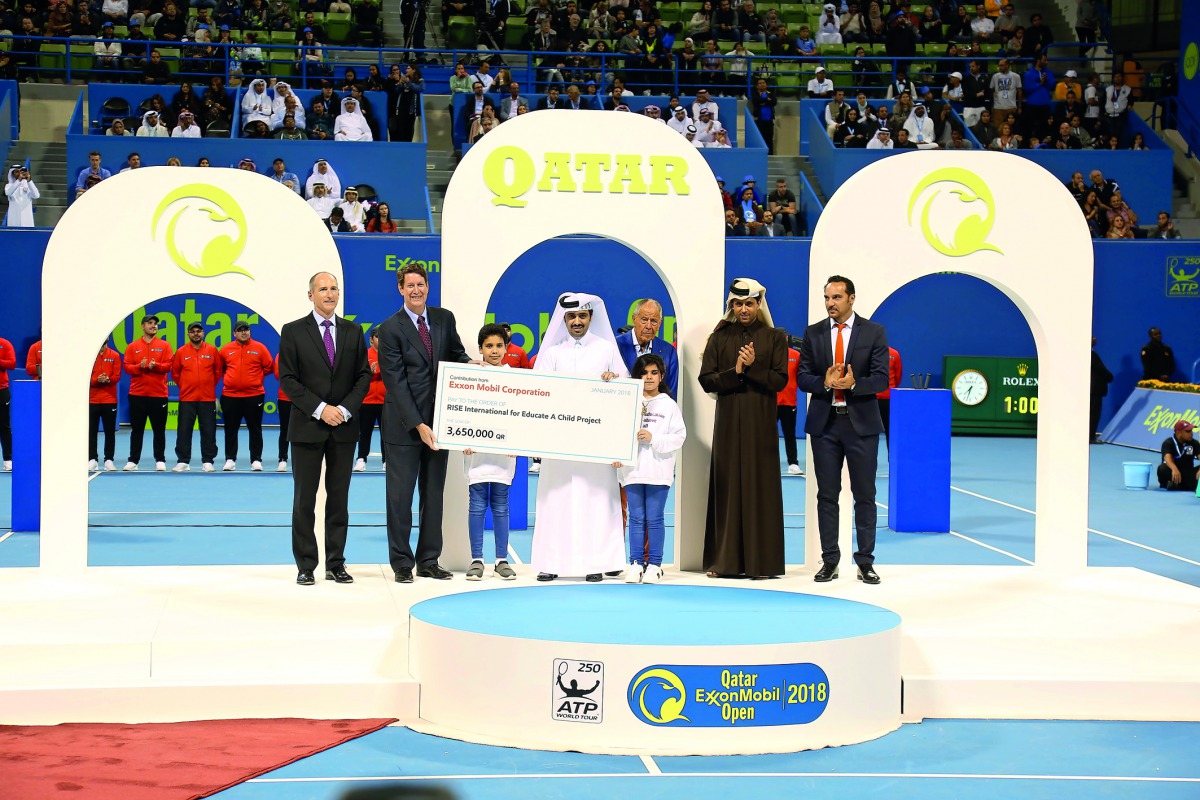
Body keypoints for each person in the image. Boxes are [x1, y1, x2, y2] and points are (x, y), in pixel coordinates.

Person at [377, 264, 471, 583]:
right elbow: (396, 383)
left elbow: (456, 357)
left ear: (428, 286)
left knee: (433, 496)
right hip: (404, 426)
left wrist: (477, 367)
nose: (416, 290)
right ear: (400, 289)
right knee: (400, 499)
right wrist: (418, 424)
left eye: (421, 284)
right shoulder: (390, 329)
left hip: (440, 423)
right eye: (410, 285)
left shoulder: (444, 319)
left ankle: (429, 560)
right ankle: (402, 563)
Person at [277, 272, 371, 585]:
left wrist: (343, 410)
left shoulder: (353, 331)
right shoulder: (292, 331)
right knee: (304, 500)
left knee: (339, 499)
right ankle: (306, 565)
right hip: (307, 427)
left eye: (334, 289)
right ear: (311, 295)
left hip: (344, 428)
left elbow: (363, 376)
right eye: (323, 289)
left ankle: (336, 563)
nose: (329, 294)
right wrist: (321, 409)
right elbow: (288, 379)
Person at [798, 275, 889, 585]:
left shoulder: (874, 332)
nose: (830, 303)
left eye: (836, 297)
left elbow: (881, 379)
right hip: (825, 426)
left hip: (860, 425)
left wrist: (854, 384)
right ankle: (829, 561)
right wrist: (824, 382)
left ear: (851, 298)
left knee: (865, 495)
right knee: (827, 495)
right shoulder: (813, 333)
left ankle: (865, 562)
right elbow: (803, 377)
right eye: (826, 298)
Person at [532, 292, 629, 582]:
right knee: (555, 501)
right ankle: (551, 563)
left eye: (582, 316)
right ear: (564, 319)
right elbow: (538, 394)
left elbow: (625, 392)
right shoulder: (552, 354)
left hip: (596, 443)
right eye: (572, 316)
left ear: (590, 317)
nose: (577, 321)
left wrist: (615, 382)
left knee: (596, 502)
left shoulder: (606, 349)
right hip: (559, 442)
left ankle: (595, 563)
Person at [699, 278, 788, 579]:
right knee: (727, 488)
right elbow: (707, 380)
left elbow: (779, 381)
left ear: (759, 304)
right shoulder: (719, 338)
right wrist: (736, 372)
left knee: (760, 489)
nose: (744, 309)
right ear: (732, 306)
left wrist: (752, 368)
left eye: (749, 303)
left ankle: (761, 564)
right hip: (727, 426)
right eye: (738, 304)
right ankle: (723, 562)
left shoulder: (775, 337)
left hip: (761, 427)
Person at [616, 353, 686, 584]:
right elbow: (616, 431)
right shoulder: (628, 401)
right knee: (636, 518)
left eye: (654, 373)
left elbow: (679, 437)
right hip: (632, 470)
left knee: (654, 518)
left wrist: (653, 438)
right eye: (644, 373)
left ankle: (655, 565)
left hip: (658, 471)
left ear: (661, 376)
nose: (649, 377)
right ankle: (636, 563)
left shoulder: (669, 405)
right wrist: (616, 453)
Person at [462, 324, 519, 582]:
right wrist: (462, 438)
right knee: (476, 506)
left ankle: (501, 560)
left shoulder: (515, 378)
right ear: (480, 349)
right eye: (489, 346)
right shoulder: (470, 376)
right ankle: (476, 560)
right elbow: (462, 410)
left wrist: (516, 442)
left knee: (500, 505)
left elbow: (521, 414)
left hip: (503, 455)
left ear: (506, 348)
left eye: (499, 346)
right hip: (477, 453)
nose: (494, 351)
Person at [218, 320, 275, 471]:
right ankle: (230, 459)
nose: (244, 332)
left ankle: (256, 460)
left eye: (246, 329)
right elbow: (220, 368)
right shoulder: (226, 349)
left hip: (254, 395)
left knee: (255, 428)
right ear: (234, 333)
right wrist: (232, 379)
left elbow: (269, 367)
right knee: (230, 429)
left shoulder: (260, 348)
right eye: (240, 330)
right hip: (230, 395)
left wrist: (254, 379)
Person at [122, 314, 173, 471]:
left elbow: (168, 366)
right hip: (137, 395)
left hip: (158, 395)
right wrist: (140, 366)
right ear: (142, 326)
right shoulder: (133, 346)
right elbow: (127, 367)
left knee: (159, 430)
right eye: (150, 323)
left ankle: (160, 460)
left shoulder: (165, 345)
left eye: (155, 323)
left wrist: (155, 366)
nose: (153, 325)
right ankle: (133, 461)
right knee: (137, 430)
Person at [170, 322, 221, 472]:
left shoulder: (212, 350)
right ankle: (183, 461)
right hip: (187, 398)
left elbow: (217, 372)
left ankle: (208, 461)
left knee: (209, 431)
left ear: (203, 333)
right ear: (188, 334)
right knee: (184, 431)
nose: (196, 334)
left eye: (199, 331)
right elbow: (175, 374)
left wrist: (207, 385)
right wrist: (186, 386)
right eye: (192, 331)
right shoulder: (181, 351)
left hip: (207, 398)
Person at [615, 298, 679, 397]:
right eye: (644, 320)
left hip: (656, 406)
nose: (648, 326)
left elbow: (671, 393)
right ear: (634, 319)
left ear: (660, 324)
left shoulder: (669, 351)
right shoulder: (615, 345)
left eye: (654, 321)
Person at [88, 342, 122, 472]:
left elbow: (117, 376)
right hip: (92, 399)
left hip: (109, 399)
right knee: (91, 431)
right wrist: (96, 380)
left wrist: (108, 379)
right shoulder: (89, 355)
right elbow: (85, 376)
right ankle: (92, 459)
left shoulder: (114, 355)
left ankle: (109, 460)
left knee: (109, 431)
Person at [355, 327, 385, 472]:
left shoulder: (390, 355)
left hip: (385, 402)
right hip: (366, 402)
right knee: (364, 433)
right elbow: (356, 376)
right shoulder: (364, 355)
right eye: (378, 336)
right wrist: (369, 373)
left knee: (386, 434)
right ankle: (361, 459)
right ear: (371, 339)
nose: (381, 339)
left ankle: (387, 461)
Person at [777, 334, 802, 475]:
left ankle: (793, 463)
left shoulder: (796, 355)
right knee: (767, 435)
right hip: (771, 403)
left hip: (789, 402)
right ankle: (766, 463)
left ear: (787, 338)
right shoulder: (768, 355)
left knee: (790, 434)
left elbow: (801, 376)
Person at [1158, 420, 1198, 492]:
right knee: (1162, 468)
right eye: (1188, 431)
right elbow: (1167, 458)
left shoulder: (1194, 443)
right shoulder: (1168, 443)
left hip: (1188, 474)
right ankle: (1181, 485)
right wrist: (1174, 469)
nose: (1191, 433)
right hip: (1173, 473)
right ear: (1179, 433)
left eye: (1191, 430)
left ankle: (1178, 486)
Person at [877, 345, 902, 451]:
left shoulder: (869, 353)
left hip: (878, 399)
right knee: (890, 431)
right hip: (884, 399)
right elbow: (898, 376)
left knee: (874, 432)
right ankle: (891, 458)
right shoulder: (894, 353)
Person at [1089, 337, 1113, 444]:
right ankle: (1091, 437)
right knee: (1094, 414)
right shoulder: (1091, 354)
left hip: (1091, 389)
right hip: (1094, 390)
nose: (1094, 339)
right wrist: (1110, 377)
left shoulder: (1089, 354)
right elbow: (1101, 370)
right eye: (1092, 337)